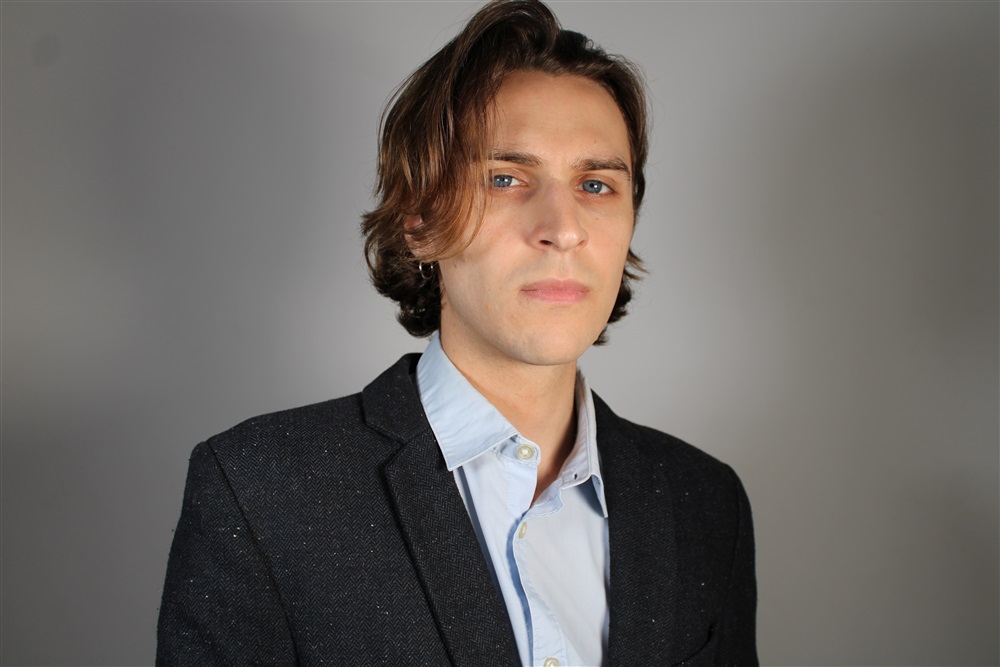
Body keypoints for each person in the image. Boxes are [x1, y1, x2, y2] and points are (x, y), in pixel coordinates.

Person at [156, 1, 757, 665]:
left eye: (595, 184)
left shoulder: (705, 502)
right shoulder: (261, 490)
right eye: (506, 178)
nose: (563, 229)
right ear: (419, 220)